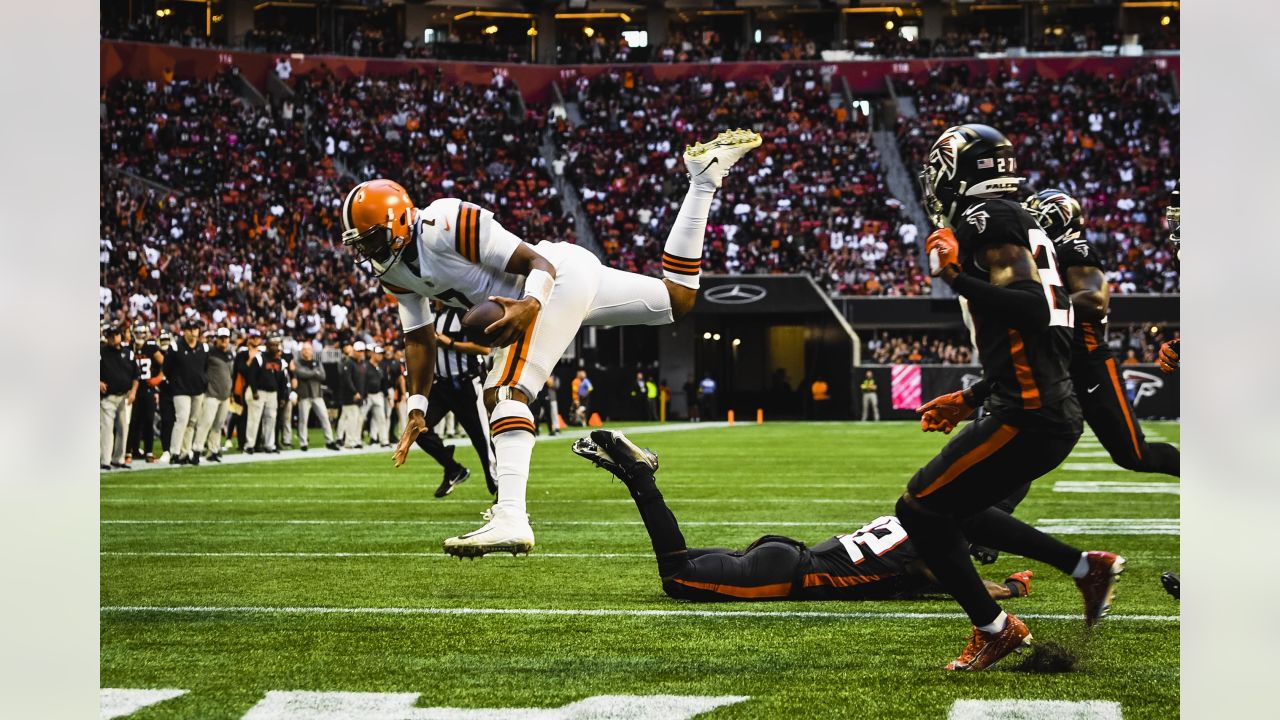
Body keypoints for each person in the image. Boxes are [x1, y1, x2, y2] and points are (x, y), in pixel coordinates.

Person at [342, 128, 761, 557]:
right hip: (565, 281)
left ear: (398, 221)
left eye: (371, 237)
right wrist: (417, 408)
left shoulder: (444, 223)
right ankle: (703, 180)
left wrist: (528, 304)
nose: (368, 250)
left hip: (551, 278)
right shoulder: (392, 271)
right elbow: (419, 338)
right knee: (678, 298)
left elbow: (535, 261)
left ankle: (510, 516)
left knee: (504, 390)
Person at [903, 123, 1123, 671]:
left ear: (960, 170)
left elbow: (1029, 307)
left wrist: (953, 275)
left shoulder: (988, 220)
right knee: (968, 512)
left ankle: (995, 630)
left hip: (1028, 412)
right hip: (1038, 404)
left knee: (919, 510)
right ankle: (1084, 568)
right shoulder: (1015, 217)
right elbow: (1045, 331)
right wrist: (973, 396)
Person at [573, 430, 1033, 602]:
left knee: (686, 562)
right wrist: (1010, 588)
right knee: (676, 574)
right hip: (787, 570)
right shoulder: (932, 549)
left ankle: (637, 473)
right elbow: (958, 582)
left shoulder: (916, 513)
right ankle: (639, 475)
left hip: (789, 555)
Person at [1025, 189, 1179, 476]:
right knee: (1033, 446)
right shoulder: (1039, 259)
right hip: (1055, 366)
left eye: (1037, 220)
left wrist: (1034, 304)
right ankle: (989, 513)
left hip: (1089, 365)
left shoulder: (1073, 249)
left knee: (1134, 455)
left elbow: (1094, 301)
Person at [414, 301, 497, 497]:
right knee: (418, 428)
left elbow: (485, 349)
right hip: (440, 386)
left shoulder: (463, 313)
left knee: (483, 443)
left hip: (467, 385)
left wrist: (450, 343)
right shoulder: (429, 314)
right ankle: (453, 469)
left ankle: (501, 494)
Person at [166, 318, 208, 465]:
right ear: (184, 331)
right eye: (190, 329)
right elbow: (167, 369)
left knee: (192, 422)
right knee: (182, 419)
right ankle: (175, 453)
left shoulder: (204, 348)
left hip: (198, 390)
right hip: (181, 389)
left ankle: (185, 453)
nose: (193, 332)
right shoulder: (175, 347)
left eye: (195, 329)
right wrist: (175, 382)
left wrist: (204, 382)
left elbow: (206, 368)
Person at [192, 327, 234, 462]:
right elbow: (201, 370)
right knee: (205, 423)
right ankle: (197, 450)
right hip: (212, 394)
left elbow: (230, 375)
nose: (224, 341)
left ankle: (213, 450)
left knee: (218, 425)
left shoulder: (230, 353)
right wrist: (206, 385)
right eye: (222, 338)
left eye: (226, 338)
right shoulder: (209, 352)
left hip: (225, 395)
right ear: (217, 338)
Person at [100, 326, 138, 471]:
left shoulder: (128, 353)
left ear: (120, 336)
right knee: (107, 429)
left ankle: (118, 458)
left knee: (123, 428)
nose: (112, 338)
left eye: (115, 335)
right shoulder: (100, 352)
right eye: (110, 335)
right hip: (107, 398)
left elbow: (136, 375)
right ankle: (105, 460)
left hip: (124, 397)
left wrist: (133, 392)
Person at [126, 323, 163, 464]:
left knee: (148, 421)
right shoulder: (129, 348)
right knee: (133, 422)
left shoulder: (151, 347)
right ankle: (129, 451)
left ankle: (148, 451)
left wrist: (159, 378)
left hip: (148, 389)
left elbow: (165, 363)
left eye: (142, 333)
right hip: (132, 391)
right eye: (137, 332)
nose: (140, 335)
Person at [293, 342, 340, 451]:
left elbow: (323, 376)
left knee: (325, 418)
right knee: (303, 420)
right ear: (301, 351)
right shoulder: (298, 362)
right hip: (304, 394)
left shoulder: (316, 361)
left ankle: (329, 441)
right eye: (304, 349)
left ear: (312, 350)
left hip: (317, 394)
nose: (306, 351)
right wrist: (314, 373)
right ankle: (303, 443)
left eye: (308, 349)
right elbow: (300, 373)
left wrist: (310, 373)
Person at [243, 335, 284, 454]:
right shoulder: (259, 358)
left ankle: (269, 444)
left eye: (276, 345)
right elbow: (251, 376)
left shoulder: (279, 361)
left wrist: (281, 396)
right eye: (272, 345)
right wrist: (254, 391)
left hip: (272, 394)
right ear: (267, 346)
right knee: (254, 419)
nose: (275, 347)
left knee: (271, 420)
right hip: (259, 392)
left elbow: (281, 380)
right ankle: (249, 445)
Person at [337, 341, 366, 448]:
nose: (361, 353)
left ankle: (357, 440)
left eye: (362, 351)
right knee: (351, 420)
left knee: (358, 420)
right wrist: (354, 392)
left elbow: (363, 380)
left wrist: (363, 394)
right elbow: (347, 380)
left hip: (360, 396)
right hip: (350, 397)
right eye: (359, 351)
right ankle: (349, 441)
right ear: (354, 351)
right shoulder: (348, 363)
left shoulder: (361, 363)